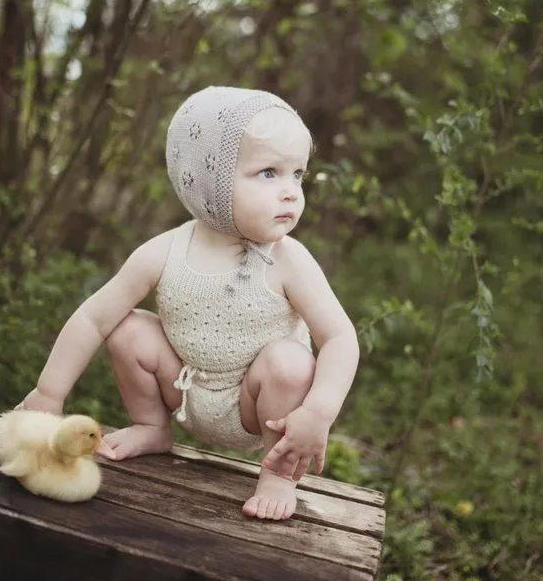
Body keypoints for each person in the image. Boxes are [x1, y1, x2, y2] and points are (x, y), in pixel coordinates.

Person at [19, 86, 360, 520]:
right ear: (208, 180)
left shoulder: (289, 259)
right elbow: (92, 317)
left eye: (298, 174)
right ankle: (152, 427)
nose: (291, 191)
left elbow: (340, 337)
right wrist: (49, 393)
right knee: (126, 327)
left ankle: (276, 476)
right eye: (269, 173)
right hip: (185, 389)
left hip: (258, 407)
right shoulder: (164, 252)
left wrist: (319, 411)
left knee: (290, 363)